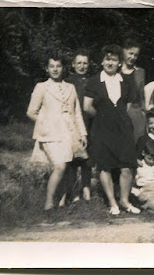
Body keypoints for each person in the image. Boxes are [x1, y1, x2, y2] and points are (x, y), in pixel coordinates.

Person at [83, 44, 140, 215]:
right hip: (101, 129)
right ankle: (113, 203)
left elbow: (127, 107)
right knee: (105, 166)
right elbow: (87, 107)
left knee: (127, 166)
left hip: (123, 128)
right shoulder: (93, 81)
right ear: (102, 61)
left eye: (114, 59)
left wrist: (117, 118)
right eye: (107, 59)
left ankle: (125, 200)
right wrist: (102, 117)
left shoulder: (127, 81)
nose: (110, 62)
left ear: (119, 62)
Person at [27, 53, 87, 211]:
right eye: (51, 66)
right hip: (49, 135)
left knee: (66, 166)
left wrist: (83, 133)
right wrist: (46, 123)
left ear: (63, 68)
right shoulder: (41, 87)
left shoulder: (70, 87)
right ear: (47, 69)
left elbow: (77, 112)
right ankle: (48, 203)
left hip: (69, 134)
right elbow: (31, 112)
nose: (55, 69)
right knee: (60, 166)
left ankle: (61, 202)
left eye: (58, 66)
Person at [61, 49, 93, 204]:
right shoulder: (67, 82)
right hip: (73, 124)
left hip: (89, 123)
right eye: (78, 63)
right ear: (73, 65)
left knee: (87, 160)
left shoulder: (92, 81)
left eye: (85, 63)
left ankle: (87, 190)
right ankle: (74, 193)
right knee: (73, 159)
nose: (82, 66)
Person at [120, 38, 146, 142]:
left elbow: (141, 96)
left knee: (137, 142)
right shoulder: (115, 71)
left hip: (136, 113)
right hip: (120, 112)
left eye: (136, 55)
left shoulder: (140, 72)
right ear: (123, 51)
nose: (133, 57)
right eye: (130, 53)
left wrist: (143, 113)